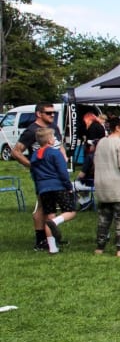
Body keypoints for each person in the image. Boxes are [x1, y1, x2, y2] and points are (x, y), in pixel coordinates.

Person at [11, 103, 73, 251]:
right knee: (42, 207)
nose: (52, 115)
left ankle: (51, 239)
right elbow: (16, 152)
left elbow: (59, 144)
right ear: (39, 114)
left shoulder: (54, 128)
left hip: (57, 173)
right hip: (44, 176)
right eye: (48, 113)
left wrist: (63, 156)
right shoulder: (32, 131)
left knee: (51, 209)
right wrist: (33, 166)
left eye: (53, 113)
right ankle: (40, 240)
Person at [92, 115, 120, 257]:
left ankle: (100, 247)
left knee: (103, 219)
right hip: (118, 185)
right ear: (117, 127)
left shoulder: (101, 142)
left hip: (102, 183)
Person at [29, 127, 74, 254]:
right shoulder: (55, 153)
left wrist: (39, 188)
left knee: (49, 215)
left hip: (43, 189)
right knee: (70, 211)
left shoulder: (34, 156)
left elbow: (33, 173)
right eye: (53, 137)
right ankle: (55, 222)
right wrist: (68, 186)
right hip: (58, 186)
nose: (54, 139)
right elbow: (62, 172)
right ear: (49, 140)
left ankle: (53, 248)